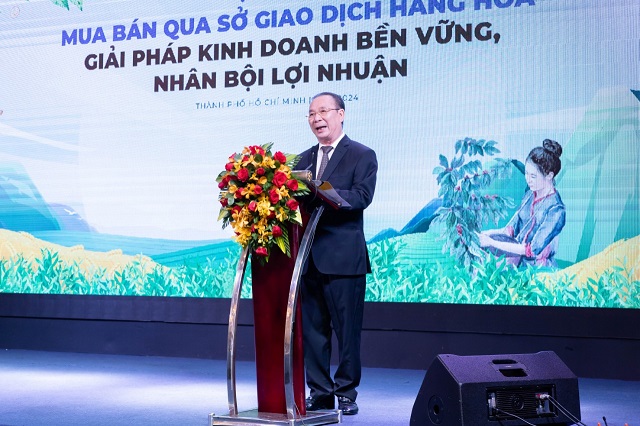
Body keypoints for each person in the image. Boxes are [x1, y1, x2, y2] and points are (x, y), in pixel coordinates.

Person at [294, 92, 377, 415]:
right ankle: (320, 392)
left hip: (344, 259)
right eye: (311, 113)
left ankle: (346, 393)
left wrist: (323, 191)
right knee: (313, 332)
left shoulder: (362, 155)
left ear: (341, 114)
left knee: (347, 332)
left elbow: (361, 196)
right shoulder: (300, 161)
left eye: (323, 111)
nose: (317, 118)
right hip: (308, 259)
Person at [478, 139, 565, 268]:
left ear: (549, 175)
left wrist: (491, 242)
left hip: (538, 269)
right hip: (517, 261)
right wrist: (486, 234)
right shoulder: (529, 195)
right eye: (526, 174)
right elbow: (511, 230)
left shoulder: (556, 210)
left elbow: (531, 250)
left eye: (533, 176)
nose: (528, 180)